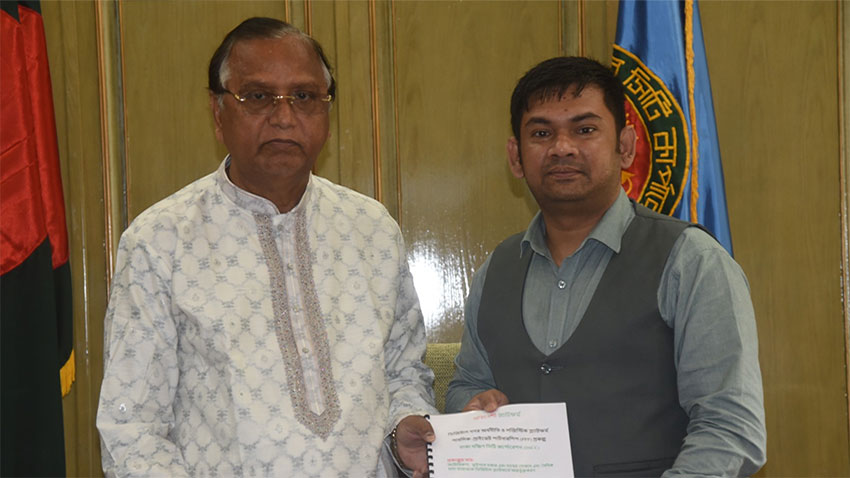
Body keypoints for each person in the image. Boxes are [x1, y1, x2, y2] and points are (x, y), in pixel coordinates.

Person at [96, 18, 436, 477]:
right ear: (218, 113)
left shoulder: (373, 230)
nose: (284, 117)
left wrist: (403, 429)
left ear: (327, 114)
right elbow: (132, 426)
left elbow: (404, 374)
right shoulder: (160, 241)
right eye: (258, 97)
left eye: (304, 97)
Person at [445, 57, 766, 476]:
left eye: (585, 129)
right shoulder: (496, 270)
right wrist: (473, 405)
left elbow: (730, 428)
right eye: (541, 133)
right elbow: (467, 385)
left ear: (626, 146)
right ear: (516, 157)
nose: (562, 147)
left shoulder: (690, 260)